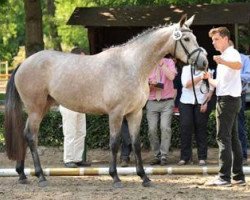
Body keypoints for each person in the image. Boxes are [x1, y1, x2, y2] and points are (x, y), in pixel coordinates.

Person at [205, 27, 245, 186]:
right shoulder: (224, 56)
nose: (213, 42)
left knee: (223, 138)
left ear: (225, 38)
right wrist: (209, 79)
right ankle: (238, 176)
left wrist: (223, 62)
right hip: (230, 100)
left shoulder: (231, 53)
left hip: (227, 102)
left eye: (216, 39)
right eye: (212, 40)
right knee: (233, 139)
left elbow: (238, 65)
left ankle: (224, 177)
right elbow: (220, 84)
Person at [60, 47, 91, 168]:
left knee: (81, 132)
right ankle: (68, 159)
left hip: (80, 105)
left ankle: (78, 158)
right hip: (68, 105)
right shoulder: (66, 71)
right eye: (82, 57)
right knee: (70, 133)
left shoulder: (82, 72)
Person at [178, 63, 214, 166]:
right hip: (186, 101)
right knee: (186, 128)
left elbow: (211, 88)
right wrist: (200, 77)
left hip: (201, 102)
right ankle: (185, 157)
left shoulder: (208, 70)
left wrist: (205, 102)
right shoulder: (186, 68)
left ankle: (202, 157)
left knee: (201, 128)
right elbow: (186, 84)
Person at [146, 56, 177, 166]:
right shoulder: (148, 64)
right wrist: (150, 85)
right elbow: (143, 86)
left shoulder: (169, 62)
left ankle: (164, 155)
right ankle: (157, 155)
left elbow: (172, 77)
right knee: (152, 129)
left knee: (165, 128)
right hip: (152, 101)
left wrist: (161, 64)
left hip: (167, 101)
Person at [238, 53, 250, 165]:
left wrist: (235, 75)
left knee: (239, 125)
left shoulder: (244, 59)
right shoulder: (221, 59)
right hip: (224, 96)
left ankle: (243, 155)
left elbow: (248, 76)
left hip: (239, 94)